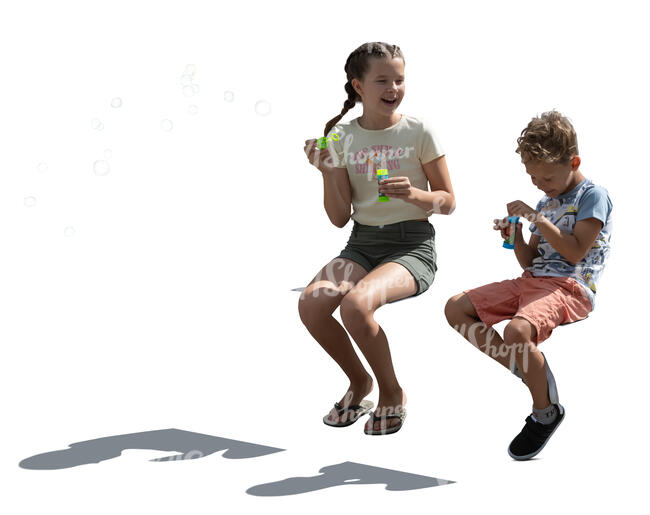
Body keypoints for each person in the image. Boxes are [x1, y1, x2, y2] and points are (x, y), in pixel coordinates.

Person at [299, 42, 456, 435]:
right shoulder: (340, 136)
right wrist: (324, 170)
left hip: (412, 244)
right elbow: (338, 218)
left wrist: (416, 196)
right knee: (312, 304)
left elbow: (449, 202)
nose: (394, 88)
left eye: (399, 79)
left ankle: (391, 392)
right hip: (362, 243)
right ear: (358, 86)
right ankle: (359, 381)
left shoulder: (419, 130)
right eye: (382, 80)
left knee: (355, 306)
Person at [445, 110, 613, 459]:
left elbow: (576, 250)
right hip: (533, 280)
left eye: (546, 177)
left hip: (570, 286)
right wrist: (517, 235)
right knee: (455, 307)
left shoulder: (592, 196)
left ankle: (544, 411)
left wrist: (536, 217)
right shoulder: (545, 202)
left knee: (517, 333)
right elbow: (529, 261)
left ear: (574, 162)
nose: (539, 185)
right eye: (533, 177)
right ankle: (526, 368)